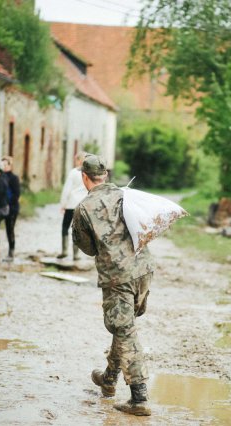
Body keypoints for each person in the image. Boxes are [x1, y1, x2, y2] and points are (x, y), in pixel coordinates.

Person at [72, 155, 154, 417]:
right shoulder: (127, 195)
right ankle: (108, 379)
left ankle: (139, 397)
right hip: (143, 269)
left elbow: (86, 248)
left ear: (85, 177)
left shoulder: (84, 208)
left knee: (125, 331)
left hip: (117, 276)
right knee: (124, 327)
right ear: (105, 175)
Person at [58, 152, 88, 260]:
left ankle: (64, 251)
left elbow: (67, 189)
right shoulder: (88, 174)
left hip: (71, 204)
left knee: (65, 227)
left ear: (78, 160)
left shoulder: (73, 172)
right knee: (78, 230)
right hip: (82, 205)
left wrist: (63, 204)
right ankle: (76, 254)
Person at [1, 156, 20, 259]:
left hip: (11, 208)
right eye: (2, 164)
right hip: (0, 207)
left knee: (10, 229)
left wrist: (7, 203)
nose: (3, 166)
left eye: (5, 164)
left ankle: (11, 252)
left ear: (10, 165)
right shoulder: (0, 177)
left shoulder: (14, 178)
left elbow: (16, 194)